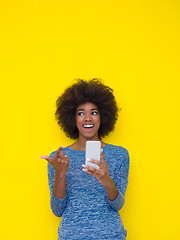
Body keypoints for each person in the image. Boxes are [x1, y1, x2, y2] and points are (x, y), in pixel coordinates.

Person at [41, 79, 130, 240]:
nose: (87, 118)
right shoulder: (59, 158)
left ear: (102, 117)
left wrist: (106, 179)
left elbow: (117, 205)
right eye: (80, 113)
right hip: (71, 236)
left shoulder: (119, 154)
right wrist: (60, 173)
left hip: (110, 236)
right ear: (72, 119)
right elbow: (57, 210)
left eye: (94, 112)